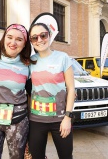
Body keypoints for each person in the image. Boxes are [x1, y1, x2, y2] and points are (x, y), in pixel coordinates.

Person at [0, 24, 35, 159]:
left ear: (24, 44)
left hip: (18, 121)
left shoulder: (27, 65)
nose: (13, 42)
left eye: (19, 39)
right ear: (3, 38)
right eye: (9, 37)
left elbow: (33, 94)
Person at [28, 23, 75, 159]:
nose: (39, 40)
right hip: (36, 119)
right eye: (34, 38)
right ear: (31, 41)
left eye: (43, 35)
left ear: (49, 35)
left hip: (60, 119)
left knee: (66, 156)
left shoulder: (63, 57)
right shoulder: (30, 61)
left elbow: (71, 88)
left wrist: (67, 117)